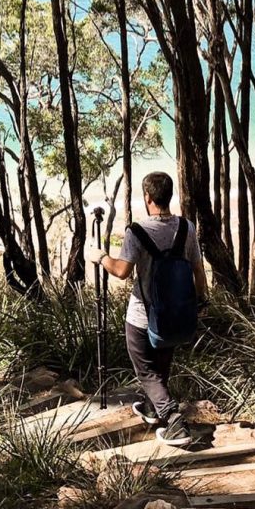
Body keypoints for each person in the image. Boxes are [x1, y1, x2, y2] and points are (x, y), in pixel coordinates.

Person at [88, 171, 209, 447]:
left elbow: (121, 271)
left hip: (143, 316)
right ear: (169, 196)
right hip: (176, 314)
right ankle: (154, 410)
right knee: (160, 367)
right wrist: (200, 302)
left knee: (146, 371)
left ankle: (173, 420)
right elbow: (198, 271)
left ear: (147, 197)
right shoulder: (185, 228)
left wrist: (100, 257)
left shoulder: (137, 232)